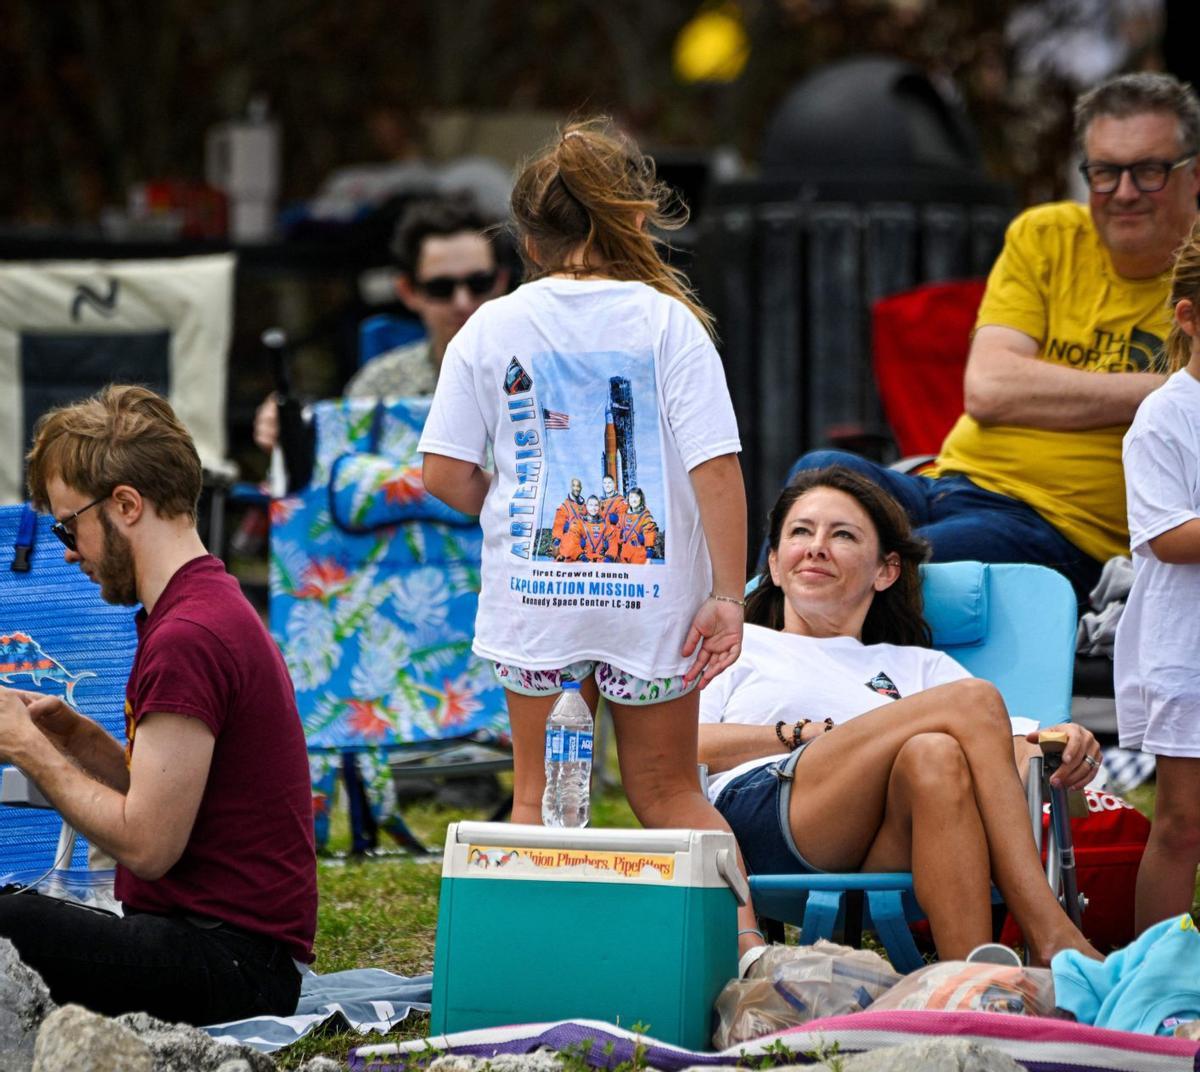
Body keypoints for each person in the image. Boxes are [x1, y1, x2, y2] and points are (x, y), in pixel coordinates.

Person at [419, 117, 763, 958]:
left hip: (538, 606)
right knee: (667, 789)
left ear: (528, 241)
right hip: (654, 607)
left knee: (536, 796)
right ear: (633, 222)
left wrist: (503, 496)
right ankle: (748, 947)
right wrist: (727, 594)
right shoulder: (669, 324)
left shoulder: (487, 330)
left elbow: (443, 474)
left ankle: (536, 961)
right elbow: (716, 467)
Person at [789, 72, 1200, 602]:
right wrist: (1164, 387)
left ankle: (791, 667)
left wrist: (1045, 388)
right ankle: (763, 664)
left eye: (1148, 171)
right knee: (816, 480)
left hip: (1065, 531)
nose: (1124, 192)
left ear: (1194, 175)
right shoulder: (1046, 234)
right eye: (1104, 171)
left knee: (887, 563)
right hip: (950, 482)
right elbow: (989, 390)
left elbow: (1010, 386)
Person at [0, 386, 316, 1025]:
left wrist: (28, 749)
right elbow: (179, 803)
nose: (65, 549)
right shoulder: (201, 604)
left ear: (125, 504)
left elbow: (148, 846)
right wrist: (83, 742)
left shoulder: (187, 636)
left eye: (69, 525)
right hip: (232, 954)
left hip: (230, 966)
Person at [699, 466, 1102, 964]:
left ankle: (967, 982)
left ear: (886, 570)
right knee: (971, 701)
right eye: (801, 532)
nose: (817, 546)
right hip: (764, 819)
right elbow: (682, 747)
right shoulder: (740, 643)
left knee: (934, 752)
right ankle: (1050, 931)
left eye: (842, 534)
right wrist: (795, 735)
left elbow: (1010, 747)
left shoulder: (917, 666)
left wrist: (1066, 743)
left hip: (883, 845)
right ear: (776, 565)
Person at [253, 194, 510, 452]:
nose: (462, 302)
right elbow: (337, 468)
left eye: (479, 283)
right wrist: (293, 437)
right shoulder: (380, 385)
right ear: (408, 291)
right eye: (440, 288)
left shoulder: (538, 374)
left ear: (500, 282)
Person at [1115, 219, 1200, 935]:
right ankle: (1149, 985)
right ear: (1188, 315)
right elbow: (1168, 535)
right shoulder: (1164, 417)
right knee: (1181, 825)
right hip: (1188, 654)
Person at [616, 487, 658, 564]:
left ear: (641, 499)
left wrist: (649, 557)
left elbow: (650, 534)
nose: (634, 500)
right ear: (628, 499)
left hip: (639, 553)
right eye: (631, 497)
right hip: (624, 552)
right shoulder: (624, 515)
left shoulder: (645, 516)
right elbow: (617, 531)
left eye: (636, 497)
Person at [551, 476, 586, 559]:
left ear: (581, 488)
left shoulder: (585, 507)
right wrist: (557, 540)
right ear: (571, 487)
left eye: (578, 486)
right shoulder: (564, 507)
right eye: (574, 486)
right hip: (569, 544)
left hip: (582, 544)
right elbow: (558, 526)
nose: (576, 488)